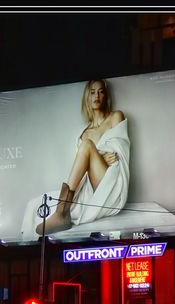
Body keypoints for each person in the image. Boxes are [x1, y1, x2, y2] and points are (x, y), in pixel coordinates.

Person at [36, 78, 130, 235]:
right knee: (86, 143)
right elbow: (84, 170)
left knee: (87, 145)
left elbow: (118, 154)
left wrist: (97, 157)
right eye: (92, 92)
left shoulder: (116, 117)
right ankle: (62, 213)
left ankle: (61, 213)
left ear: (106, 96)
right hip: (94, 188)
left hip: (113, 186)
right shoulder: (84, 134)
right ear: (87, 97)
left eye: (101, 92)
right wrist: (99, 158)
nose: (97, 96)